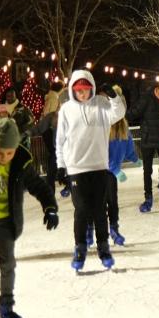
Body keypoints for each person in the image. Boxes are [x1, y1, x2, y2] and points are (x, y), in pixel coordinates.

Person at [0, 118, 58, 318]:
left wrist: (50, 206)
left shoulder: (21, 162)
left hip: (6, 218)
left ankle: (6, 309)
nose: (4, 157)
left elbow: (38, 186)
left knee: (7, 264)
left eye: (9, 153)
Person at [56, 70, 126, 272]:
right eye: (78, 90)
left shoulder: (101, 104)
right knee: (81, 210)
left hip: (98, 166)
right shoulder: (67, 109)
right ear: (72, 90)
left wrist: (113, 96)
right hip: (77, 168)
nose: (82, 94)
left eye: (86, 90)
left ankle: (104, 248)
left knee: (99, 211)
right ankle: (80, 248)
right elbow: (60, 141)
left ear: (91, 88)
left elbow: (118, 113)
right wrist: (62, 166)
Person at [125, 75, 159, 213]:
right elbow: (132, 114)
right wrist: (122, 117)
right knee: (147, 171)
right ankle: (148, 199)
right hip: (148, 140)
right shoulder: (147, 98)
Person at [105, 96, 139, 247]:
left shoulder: (124, 127)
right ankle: (90, 229)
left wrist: (134, 159)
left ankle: (114, 228)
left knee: (113, 202)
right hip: (100, 170)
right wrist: (115, 169)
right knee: (98, 203)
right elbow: (101, 153)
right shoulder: (104, 127)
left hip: (112, 172)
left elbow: (129, 145)